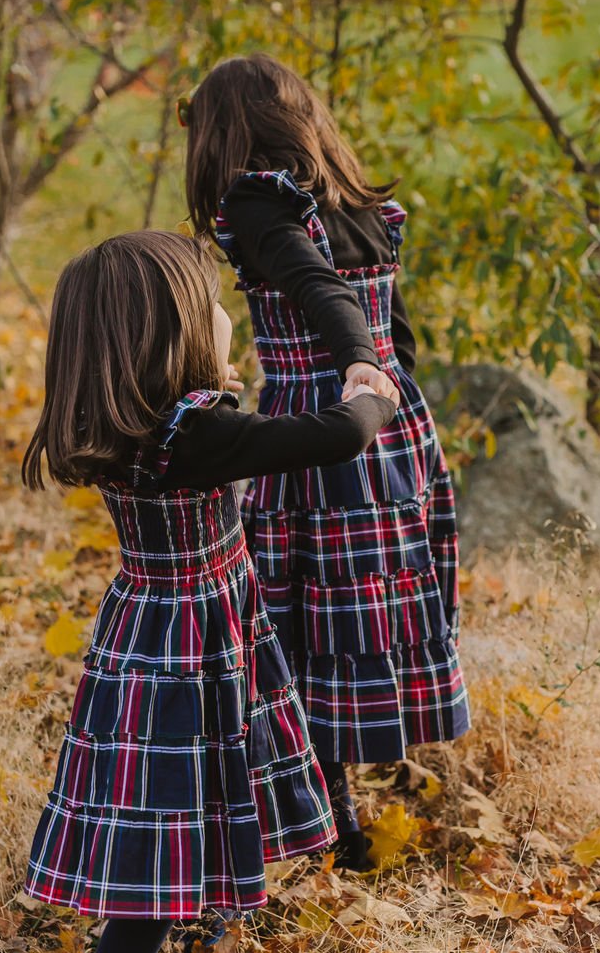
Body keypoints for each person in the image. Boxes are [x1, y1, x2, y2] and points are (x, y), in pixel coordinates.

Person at [21, 230, 396, 953]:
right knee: (164, 824)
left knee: (189, 797)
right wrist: (371, 388)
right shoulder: (195, 432)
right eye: (216, 308)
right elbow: (334, 436)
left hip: (155, 627)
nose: (229, 321)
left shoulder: (131, 421)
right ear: (173, 330)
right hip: (191, 643)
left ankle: (211, 902)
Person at [183, 53, 471, 867]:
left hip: (328, 422)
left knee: (296, 616)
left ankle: (326, 807)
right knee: (340, 610)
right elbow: (397, 327)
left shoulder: (259, 202)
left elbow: (322, 293)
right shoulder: (358, 207)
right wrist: (389, 380)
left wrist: (353, 366)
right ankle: (333, 800)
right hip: (394, 422)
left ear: (227, 131)